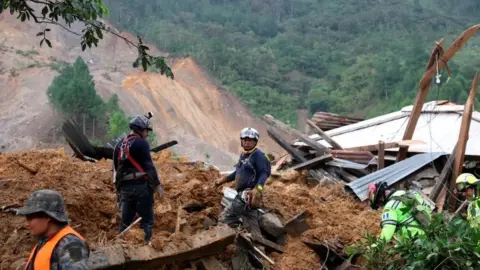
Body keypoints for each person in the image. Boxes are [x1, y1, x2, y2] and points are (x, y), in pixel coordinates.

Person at [113, 112, 163, 244]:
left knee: (125, 222)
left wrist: (119, 191)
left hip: (125, 189)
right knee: (146, 221)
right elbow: (149, 167)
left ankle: (120, 247)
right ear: (140, 129)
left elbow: (115, 169)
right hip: (141, 188)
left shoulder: (119, 145)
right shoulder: (142, 143)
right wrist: (157, 186)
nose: (147, 134)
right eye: (146, 130)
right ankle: (146, 248)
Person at [214, 127, 271, 237]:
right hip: (246, 198)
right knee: (251, 223)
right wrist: (223, 180)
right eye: (244, 139)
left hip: (248, 195)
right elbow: (238, 172)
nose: (247, 142)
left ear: (255, 141)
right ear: (241, 141)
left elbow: (264, 173)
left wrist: (258, 189)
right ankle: (258, 247)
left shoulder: (258, 155)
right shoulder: (244, 155)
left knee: (225, 218)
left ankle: (226, 241)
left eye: (250, 140)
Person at [16, 189, 89, 269]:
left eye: (30, 218)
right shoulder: (44, 242)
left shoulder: (72, 244)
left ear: (47, 217)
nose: (26, 224)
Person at [367, 181, 432, 243]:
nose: (381, 206)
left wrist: (376, 246)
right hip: (431, 231)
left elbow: (388, 231)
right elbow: (427, 208)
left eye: (379, 204)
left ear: (380, 198)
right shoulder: (410, 193)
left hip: (415, 240)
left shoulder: (389, 207)